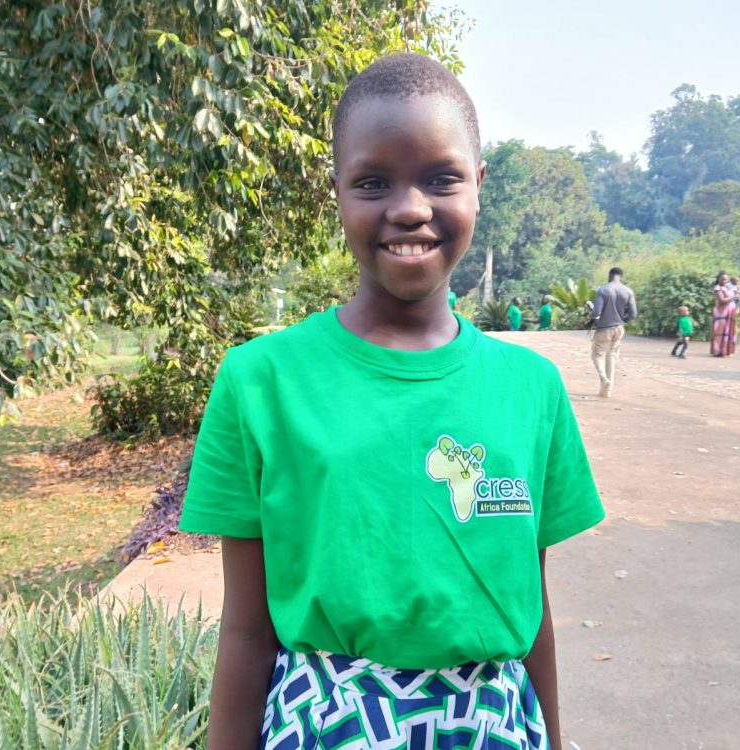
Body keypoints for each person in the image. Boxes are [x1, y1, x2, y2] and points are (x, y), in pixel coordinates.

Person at [178, 53, 604, 750]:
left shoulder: (532, 389)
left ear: (479, 186)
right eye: (373, 182)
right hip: (324, 728)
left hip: (494, 730)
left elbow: (531, 610)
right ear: (337, 192)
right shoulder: (261, 381)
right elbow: (247, 631)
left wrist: (556, 741)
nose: (410, 208)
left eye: (441, 178)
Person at [590, 266, 637, 398]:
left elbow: (596, 312)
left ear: (610, 276)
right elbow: (633, 314)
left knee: (598, 355)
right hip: (619, 329)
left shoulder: (603, 290)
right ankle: (607, 391)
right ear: (620, 276)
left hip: (604, 328)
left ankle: (604, 379)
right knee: (611, 356)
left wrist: (592, 318)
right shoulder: (628, 291)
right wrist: (622, 320)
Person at [710, 271, 739, 357]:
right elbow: (722, 300)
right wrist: (732, 297)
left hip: (729, 314)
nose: (724, 281)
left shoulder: (728, 288)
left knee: (729, 331)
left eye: (725, 279)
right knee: (720, 332)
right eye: (722, 279)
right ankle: (718, 351)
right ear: (718, 279)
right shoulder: (717, 288)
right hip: (721, 314)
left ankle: (726, 351)